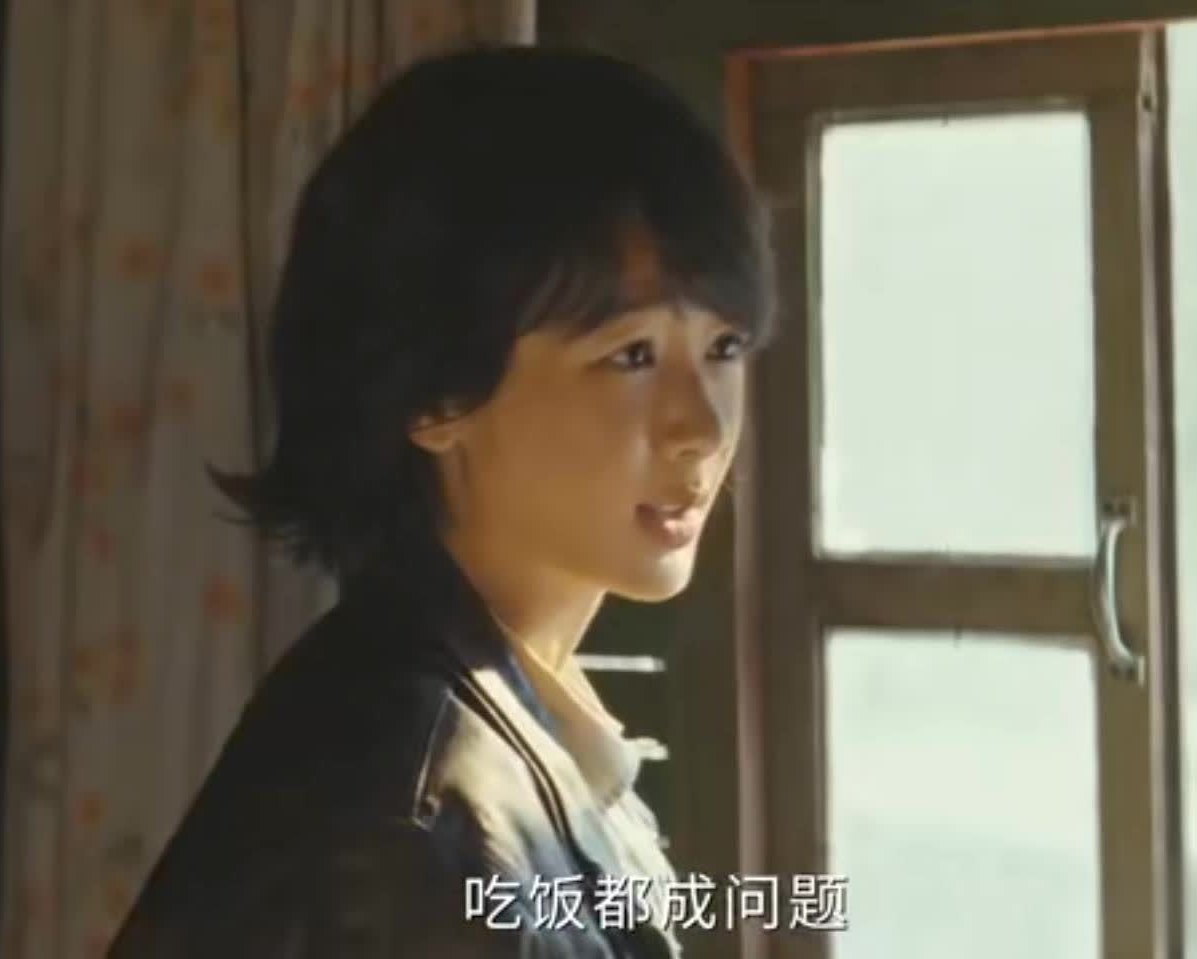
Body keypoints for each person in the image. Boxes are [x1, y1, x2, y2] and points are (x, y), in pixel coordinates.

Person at [106, 44, 776, 958]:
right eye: (631, 355)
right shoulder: (418, 824)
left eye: (724, 348)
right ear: (435, 396)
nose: (701, 425)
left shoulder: (510, 709)